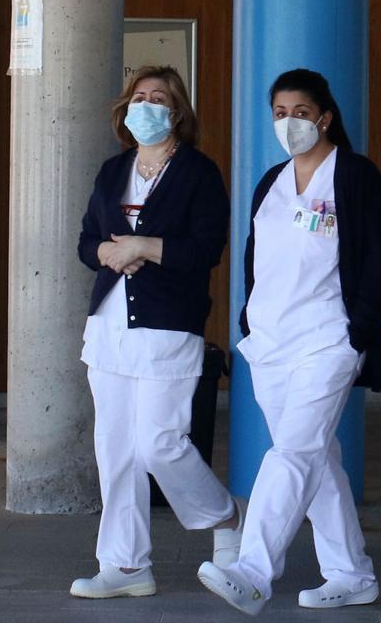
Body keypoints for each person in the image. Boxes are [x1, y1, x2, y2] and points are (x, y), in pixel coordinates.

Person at [197, 68, 381, 616]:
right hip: (272, 342)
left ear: (325, 117)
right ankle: (351, 574)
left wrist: (360, 330)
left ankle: (254, 571)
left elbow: (378, 258)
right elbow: (257, 260)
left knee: (291, 453)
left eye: (301, 113)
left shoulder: (354, 177)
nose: (290, 123)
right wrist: (249, 322)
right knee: (318, 459)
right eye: (280, 113)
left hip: (328, 340)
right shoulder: (272, 182)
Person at [71, 66, 243, 599]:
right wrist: (104, 252)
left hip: (168, 328)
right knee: (115, 448)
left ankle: (225, 516)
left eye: (159, 98)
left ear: (177, 111)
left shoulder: (198, 172)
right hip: (111, 326)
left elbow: (204, 250)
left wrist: (144, 247)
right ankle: (125, 566)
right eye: (139, 97)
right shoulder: (112, 170)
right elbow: (86, 241)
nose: (147, 105)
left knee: (159, 444)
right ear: (126, 108)